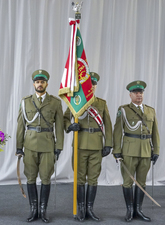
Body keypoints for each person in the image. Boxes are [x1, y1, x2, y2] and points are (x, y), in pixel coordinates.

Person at [16, 69, 64, 223]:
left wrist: (59, 147)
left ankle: (43, 210)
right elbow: (20, 125)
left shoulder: (55, 102)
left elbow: (60, 126)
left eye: (42, 82)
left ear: (46, 84)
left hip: (48, 145)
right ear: (34, 84)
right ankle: (33, 209)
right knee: (30, 178)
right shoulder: (25, 102)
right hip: (29, 144)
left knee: (45, 178)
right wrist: (19, 147)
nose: (40, 84)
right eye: (37, 82)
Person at [63, 72, 113, 221]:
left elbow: (108, 125)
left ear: (95, 86)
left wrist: (108, 144)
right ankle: (81, 209)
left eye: (93, 84)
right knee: (79, 179)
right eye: (88, 84)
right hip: (80, 144)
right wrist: (70, 126)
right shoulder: (75, 101)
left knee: (93, 178)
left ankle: (90, 208)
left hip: (96, 145)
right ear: (83, 85)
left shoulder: (101, 103)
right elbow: (65, 118)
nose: (91, 86)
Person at [112, 80, 160, 222]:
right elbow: (117, 132)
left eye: (141, 92)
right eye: (136, 92)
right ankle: (129, 210)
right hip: (128, 151)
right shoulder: (124, 110)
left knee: (141, 181)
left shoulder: (150, 110)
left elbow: (155, 132)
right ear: (130, 94)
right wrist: (117, 150)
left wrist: (156, 150)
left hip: (146, 151)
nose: (139, 95)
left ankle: (138, 210)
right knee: (127, 182)